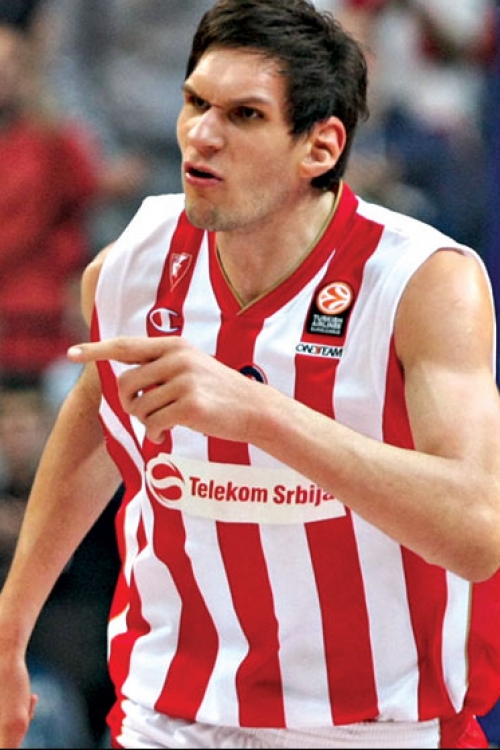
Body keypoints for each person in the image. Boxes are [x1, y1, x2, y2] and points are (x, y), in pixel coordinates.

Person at [0, 1, 500, 748]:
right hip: (172, 714)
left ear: (320, 147)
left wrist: (261, 414)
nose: (202, 134)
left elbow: (476, 531)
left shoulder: (422, 283)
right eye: (195, 102)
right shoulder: (133, 265)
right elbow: (100, 421)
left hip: (373, 723)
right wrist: (9, 629)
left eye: (244, 115)